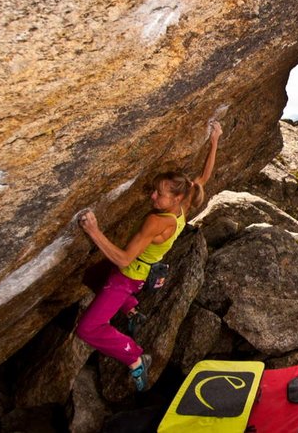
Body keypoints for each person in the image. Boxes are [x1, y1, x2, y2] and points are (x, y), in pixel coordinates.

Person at [76, 121, 222, 391]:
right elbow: (204, 177)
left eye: (160, 194)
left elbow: (123, 260)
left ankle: (133, 356)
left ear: (176, 198)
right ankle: (131, 309)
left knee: (88, 328)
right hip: (141, 275)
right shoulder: (184, 204)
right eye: (155, 190)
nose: (152, 196)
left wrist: (94, 231)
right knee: (91, 274)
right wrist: (214, 140)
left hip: (127, 277)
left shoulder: (157, 222)